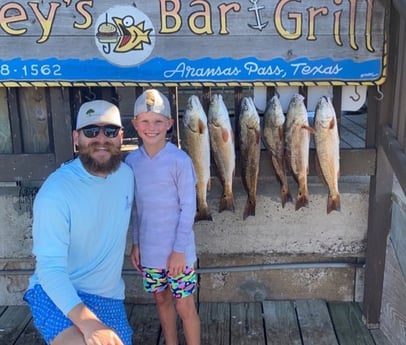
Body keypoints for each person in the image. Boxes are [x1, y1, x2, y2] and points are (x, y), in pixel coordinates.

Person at [23, 100, 134, 345]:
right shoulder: (56, 192)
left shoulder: (127, 176)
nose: (101, 139)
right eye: (91, 131)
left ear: (121, 137)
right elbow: (50, 269)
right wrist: (88, 322)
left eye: (110, 131)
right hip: (55, 291)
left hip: (109, 296)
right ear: (76, 138)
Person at [125, 89, 201, 345]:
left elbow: (189, 207)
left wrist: (179, 250)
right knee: (161, 299)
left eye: (158, 121)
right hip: (150, 251)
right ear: (135, 124)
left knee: (184, 306)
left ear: (169, 124)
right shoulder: (131, 162)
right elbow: (137, 208)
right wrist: (136, 243)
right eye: (145, 121)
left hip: (178, 254)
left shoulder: (180, 160)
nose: (151, 127)